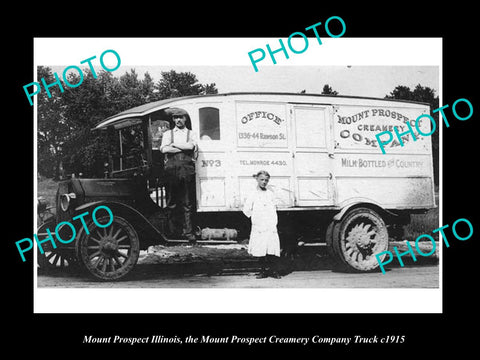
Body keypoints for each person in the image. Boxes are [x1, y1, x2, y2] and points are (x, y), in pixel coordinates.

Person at [160, 108, 197, 242]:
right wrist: (182, 146)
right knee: (171, 202)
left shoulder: (191, 133)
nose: (178, 120)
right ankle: (172, 233)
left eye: (181, 117)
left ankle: (189, 233)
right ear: (173, 119)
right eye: (176, 118)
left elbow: (191, 147)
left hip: (186, 170)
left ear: (185, 119)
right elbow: (164, 148)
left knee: (187, 203)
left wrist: (174, 144)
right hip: (171, 170)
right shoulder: (168, 133)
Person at [242, 170, 282, 279]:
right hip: (259, 226)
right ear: (257, 180)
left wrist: (272, 220)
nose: (264, 182)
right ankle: (263, 271)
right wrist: (256, 219)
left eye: (266, 180)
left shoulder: (270, 194)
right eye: (262, 180)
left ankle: (273, 271)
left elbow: (274, 208)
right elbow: (246, 209)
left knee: (271, 248)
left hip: (270, 225)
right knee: (260, 249)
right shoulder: (253, 194)